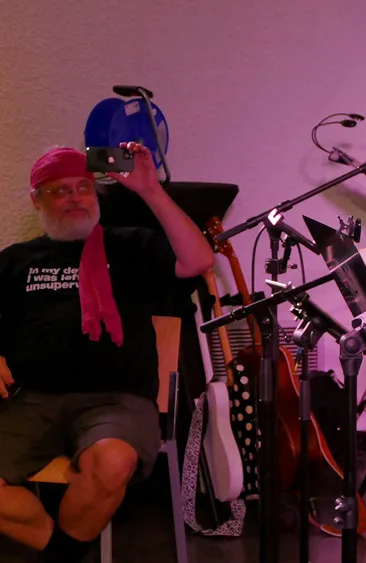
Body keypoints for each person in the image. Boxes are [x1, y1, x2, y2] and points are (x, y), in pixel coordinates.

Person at [0, 143, 215, 562]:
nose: (75, 197)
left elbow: (198, 260)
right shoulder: (16, 260)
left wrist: (150, 190)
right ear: (37, 200)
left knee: (113, 462)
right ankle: (63, 554)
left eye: (83, 187)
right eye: (60, 190)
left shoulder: (130, 245)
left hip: (117, 400)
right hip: (30, 400)